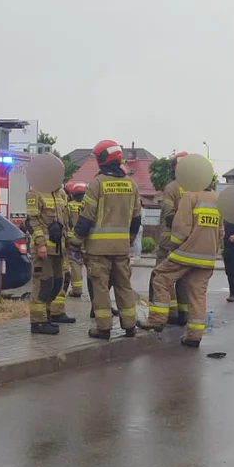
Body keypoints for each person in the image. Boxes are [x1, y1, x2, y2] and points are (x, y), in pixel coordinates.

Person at [143, 173, 220, 348]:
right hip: (207, 258)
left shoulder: (190, 195)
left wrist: (175, 247)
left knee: (160, 277)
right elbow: (220, 231)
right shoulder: (216, 199)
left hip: (186, 253)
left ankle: (157, 319)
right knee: (198, 294)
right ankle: (194, 336)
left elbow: (181, 227)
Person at [74, 139, 141, 339]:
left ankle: (103, 328)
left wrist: (76, 242)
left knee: (100, 288)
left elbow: (85, 218)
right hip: (121, 249)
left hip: (98, 249)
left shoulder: (97, 184)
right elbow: (136, 219)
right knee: (124, 286)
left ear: (102, 158)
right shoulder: (131, 184)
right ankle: (130, 325)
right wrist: (129, 240)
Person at [24, 179, 76, 335]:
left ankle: (47, 317)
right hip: (43, 250)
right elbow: (32, 221)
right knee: (43, 284)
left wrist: (70, 244)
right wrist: (40, 244)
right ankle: (38, 322)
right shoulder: (35, 192)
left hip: (59, 250)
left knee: (57, 283)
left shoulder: (61, 194)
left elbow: (66, 223)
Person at [151, 152, 189, 326]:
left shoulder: (172, 188)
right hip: (189, 242)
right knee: (184, 277)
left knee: (164, 276)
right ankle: (184, 313)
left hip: (169, 241)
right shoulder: (196, 189)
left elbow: (168, 216)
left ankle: (171, 313)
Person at [64, 183, 87, 298]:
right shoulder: (89, 206)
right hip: (88, 241)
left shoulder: (68, 206)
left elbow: (65, 222)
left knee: (75, 263)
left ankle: (77, 289)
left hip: (73, 240)